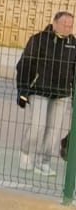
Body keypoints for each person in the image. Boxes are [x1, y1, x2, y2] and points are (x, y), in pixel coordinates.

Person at [16, 11, 76, 176]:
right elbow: (24, 65)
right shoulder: (39, 39)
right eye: (64, 24)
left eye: (71, 25)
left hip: (62, 94)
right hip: (39, 91)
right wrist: (22, 90)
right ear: (54, 23)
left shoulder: (74, 44)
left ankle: (44, 161)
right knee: (37, 125)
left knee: (54, 129)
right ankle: (26, 155)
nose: (68, 28)